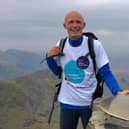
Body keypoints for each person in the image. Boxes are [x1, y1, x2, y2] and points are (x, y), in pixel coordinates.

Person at [46, 11, 129, 129]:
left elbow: (105, 72)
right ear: (65, 26)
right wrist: (49, 58)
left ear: (84, 25)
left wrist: (117, 91)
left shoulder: (94, 45)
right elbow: (57, 72)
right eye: (71, 22)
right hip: (67, 103)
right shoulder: (61, 44)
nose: (75, 25)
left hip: (90, 103)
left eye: (78, 22)